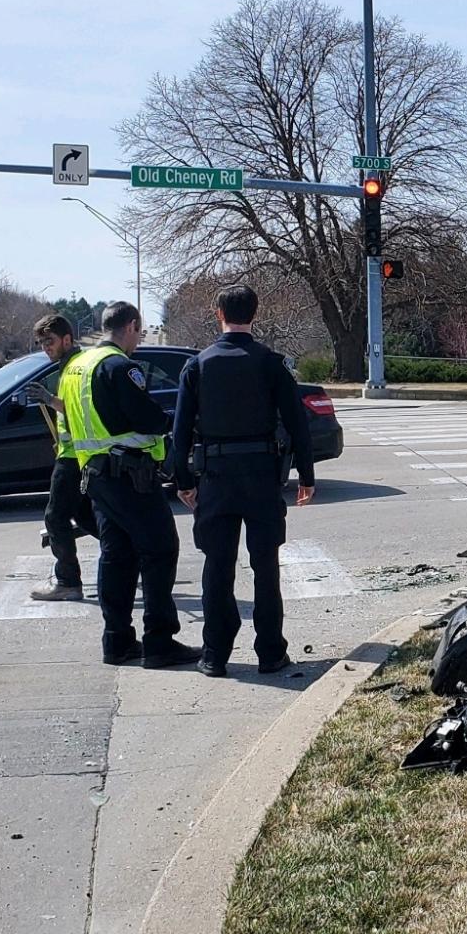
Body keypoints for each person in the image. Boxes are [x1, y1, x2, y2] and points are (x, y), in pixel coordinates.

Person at [170, 284, 315, 678]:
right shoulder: (272, 363)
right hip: (262, 478)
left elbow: (179, 431)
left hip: (215, 478)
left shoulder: (197, 366)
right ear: (256, 313)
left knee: (218, 566)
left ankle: (215, 654)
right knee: (265, 565)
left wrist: (183, 479)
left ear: (219, 313)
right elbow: (297, 422)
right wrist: (306, 474)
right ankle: (270, 651)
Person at [58, 301, 201, 669]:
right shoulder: (120, 366)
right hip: (130, 476)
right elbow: (146, 419)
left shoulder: (76, 366)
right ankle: (159, 642)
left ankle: (117, 642)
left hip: (98, 477)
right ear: (133, 326)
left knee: (116, 557)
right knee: (160, 550)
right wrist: (171, 420)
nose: (138, 340)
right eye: (139, 332)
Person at [25, 314, 100, 603]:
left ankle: (68, 582)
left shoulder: (75, 368)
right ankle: (128, 557)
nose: (46, 347)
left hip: (74, 457)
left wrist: (48, 398)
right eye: (42, 342)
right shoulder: (69, 366)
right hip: (76, 453)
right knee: (84, 516)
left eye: (50, 341)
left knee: (55, 517)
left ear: (67, 339)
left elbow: (78, 408)